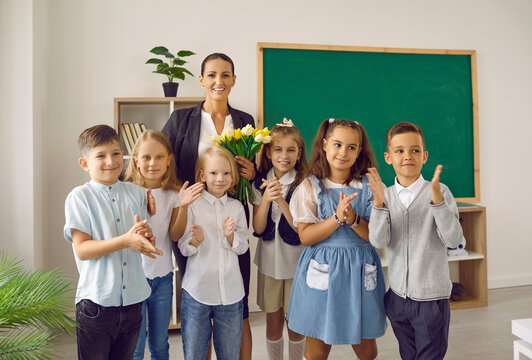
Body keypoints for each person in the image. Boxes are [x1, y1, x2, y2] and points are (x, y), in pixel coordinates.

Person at [162, 52, 255, 359]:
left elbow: (253, 168)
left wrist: (252, 173)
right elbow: (164, 163)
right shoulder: (181, 120)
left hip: (231, 215)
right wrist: (183, 197)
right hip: (194, 217)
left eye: (225, 75)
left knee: (236, 302)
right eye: (212, 75)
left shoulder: (244, 121)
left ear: (234, 80)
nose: (219, 81)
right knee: (199, 294)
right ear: (201, 79)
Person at [287, 119, 386, 360]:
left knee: (367, 350)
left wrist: (353, 220)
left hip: (360, 269)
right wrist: (336, 218)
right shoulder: (310, 186)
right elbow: (306, 237)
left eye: (351, 147)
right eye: (338, 145)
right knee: (317, 350)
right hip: (322, 270)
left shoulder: (370, 187)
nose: (344, 152)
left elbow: (378, 237)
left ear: (359, 151)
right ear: (324, 145)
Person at [64, 124, 162, 360]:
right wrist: (126, 240)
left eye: (116, 153)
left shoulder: (137, 193)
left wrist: (145, 237)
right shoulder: (79, 197)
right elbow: (82, 250)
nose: (111, 160)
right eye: (101, 155)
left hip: (133, 304)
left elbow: (138, 235)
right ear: (85, 164)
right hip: (96, 305)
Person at [367, 121, 463, 360]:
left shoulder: (441, 192)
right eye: (399, 151)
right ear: (388, 157)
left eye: (415, 150)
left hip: (431, 299)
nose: (407, 156)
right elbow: (378, 240)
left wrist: (438, 203)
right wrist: (378, 205)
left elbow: (453, 240)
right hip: (398, 298)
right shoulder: (385, 196)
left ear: (425, 156)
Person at [124, 130, 204, 360]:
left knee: (160, 344)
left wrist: (184, 205)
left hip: (163, 278)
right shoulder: (126, 192)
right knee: (135, 347)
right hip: (133, 279)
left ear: (169, 160)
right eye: (147, 157)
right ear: (136, 160)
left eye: (160, 157)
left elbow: (176, 235)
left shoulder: (174, 193)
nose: (153, 163)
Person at [178, 146, 249, 360]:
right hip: (196, 292)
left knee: (229, 354)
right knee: (194, 354)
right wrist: (195, 241)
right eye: (214, 173)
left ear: (233, 176)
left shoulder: (236, 208)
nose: (220, 178)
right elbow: (183, 246)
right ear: (202, 175)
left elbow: (242, 247)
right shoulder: (192, 206)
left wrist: (230, 237)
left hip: (231, 294)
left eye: (226, 173)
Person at [251, 119, 308, 360]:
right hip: (270, 263)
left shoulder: (305, 183)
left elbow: (302, 231)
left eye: (290, 150)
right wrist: (265, 199)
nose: (284, 156)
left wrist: (282, 203)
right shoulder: (259, 182)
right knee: (273, 321)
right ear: (268, 152)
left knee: (296, 323)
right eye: (278, 149)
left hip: (296, 264)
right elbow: (258, 227)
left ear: (299, 153)